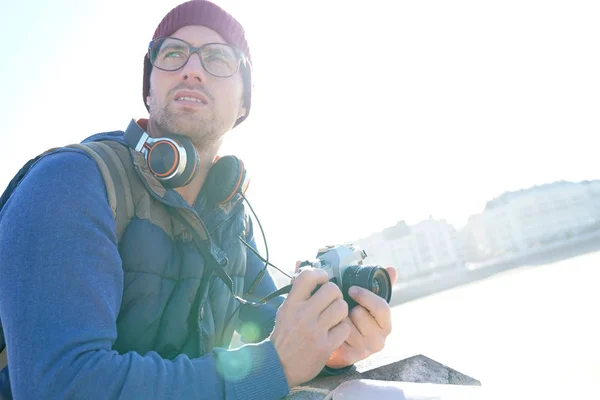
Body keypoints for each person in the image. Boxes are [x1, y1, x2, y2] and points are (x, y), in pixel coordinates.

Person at [0, 1, 397, 399]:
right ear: (149, 87)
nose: (192, 69)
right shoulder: (69, 183)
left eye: (218, 59)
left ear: (244, 102)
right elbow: (59, 387)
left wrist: (332, 346)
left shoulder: (230, 218)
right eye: (172, 54)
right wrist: (269, 369)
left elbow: (279, 331)